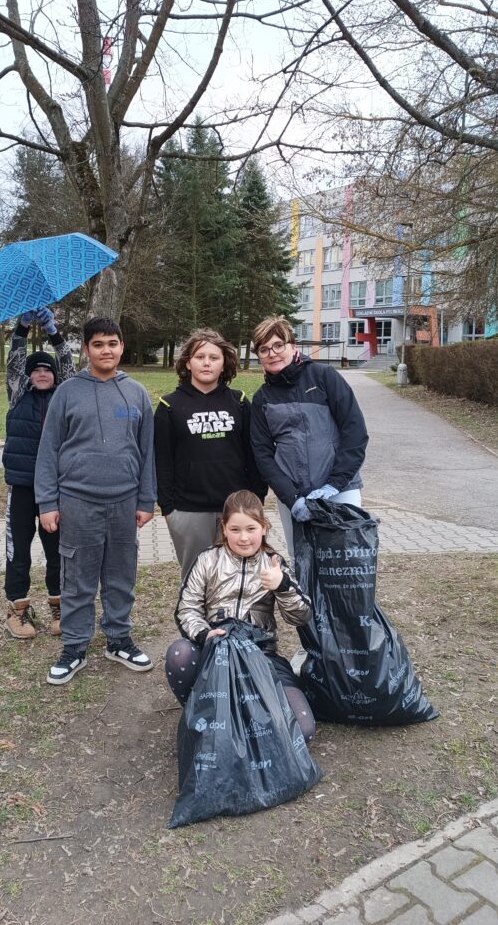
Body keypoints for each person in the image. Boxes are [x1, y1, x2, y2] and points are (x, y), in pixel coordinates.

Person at [35, 316, 156, 685]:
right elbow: (48, 450)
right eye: (98, 344)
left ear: (122, 347)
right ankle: (74, 646)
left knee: (121, 575)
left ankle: (118, 639)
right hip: (77, 502)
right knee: (77, 578)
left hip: (124, 503)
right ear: (86, 349)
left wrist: (146, 499)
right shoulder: (67, 393)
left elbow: (147, 452)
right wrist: (47, 503)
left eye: (112, 343)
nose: (106, 350)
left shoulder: (137, 393)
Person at [165, 490, 316, 742]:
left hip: (261, 656)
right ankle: (202, 712)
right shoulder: (207, 559)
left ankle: (244, 721)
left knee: (302, 728)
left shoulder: (274, 564)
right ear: (223, 528)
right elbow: (187, 608)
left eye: (251, 529)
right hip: (215, 654)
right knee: (180, 654)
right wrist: (205, 635)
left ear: (264, 528)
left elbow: (300, 616)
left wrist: (282, 586)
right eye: (235, 529)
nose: (244, 538)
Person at [250, 315, 368, 561]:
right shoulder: (262, 398)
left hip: (340, 489)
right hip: (295, 497)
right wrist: (291, 498)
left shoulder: (324, 376)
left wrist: (335, 484)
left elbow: (354, 432)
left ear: (292, 345)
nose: (272, 353)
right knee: (302, 561)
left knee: (344, 561)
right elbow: (262, 453)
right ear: (259, 355)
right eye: (264, 349)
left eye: (278, 345)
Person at [154, 328, 267, 581]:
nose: (207, 363)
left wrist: (257, 498)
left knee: (239, 578)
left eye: (214, 357)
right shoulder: (169, 406)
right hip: (188, 511)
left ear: (224, 363)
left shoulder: (239, 402)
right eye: (200, 357)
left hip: (237, 508)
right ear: (188, 363)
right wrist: (168, 508)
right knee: (197, 580)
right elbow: (162, 461)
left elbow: (254, 454)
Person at [2, 306, 75, 639]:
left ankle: (60, 606)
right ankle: (17, 610)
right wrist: (22, 328)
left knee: (57, 550)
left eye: (48, 370)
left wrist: (53, 332)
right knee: (18, 551)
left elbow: (68, 363)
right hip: (21, 486)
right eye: (37, 370)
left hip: (56, 489)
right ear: (29, 376)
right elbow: (15, 362)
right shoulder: (18, 394)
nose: (43, 374)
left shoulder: (65, 396)